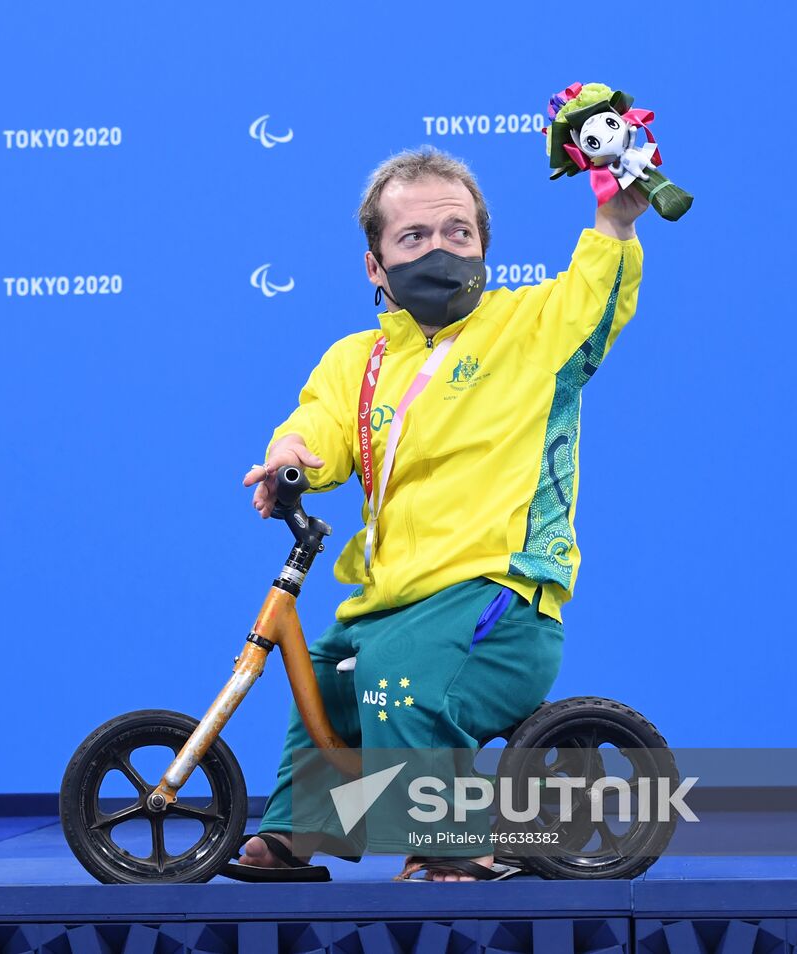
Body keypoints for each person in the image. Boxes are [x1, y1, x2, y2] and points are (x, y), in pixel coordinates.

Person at [230, 146, 648, 882]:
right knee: (325, 679)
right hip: (389, 604)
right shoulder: (354, 361)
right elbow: (318, 426)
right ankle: (303, 829)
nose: (440, 250)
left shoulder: (531, 328)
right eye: (414, 237)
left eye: (458, 232)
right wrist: (289, 455)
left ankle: (457, 841)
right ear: (376, 266)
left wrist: (615, 219)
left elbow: (597, 294)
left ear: (483, 245)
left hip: (500, 596)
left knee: (394, 677)